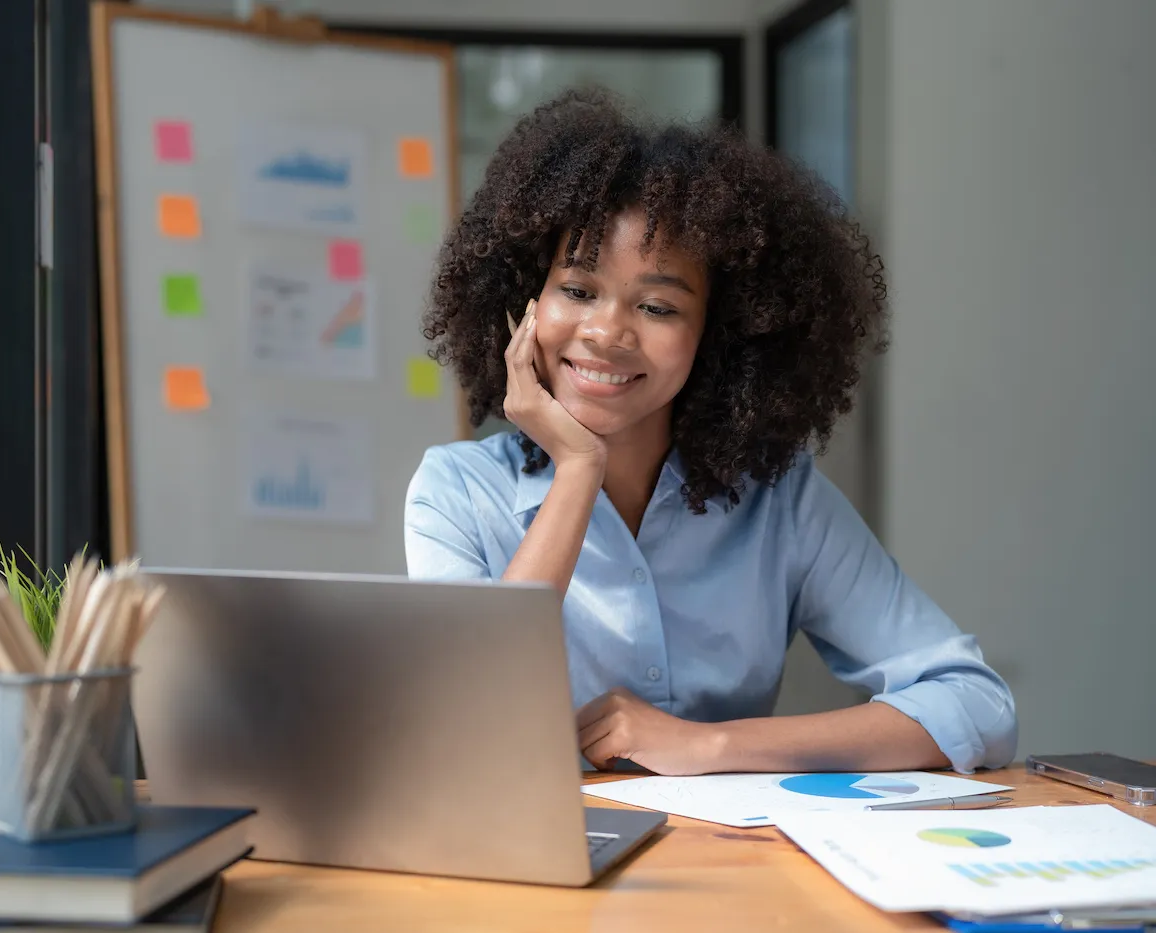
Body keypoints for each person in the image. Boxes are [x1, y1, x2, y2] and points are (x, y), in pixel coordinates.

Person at [403, 89, 1017, 777]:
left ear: (719, 336)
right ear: (525, 301)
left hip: (729, 869)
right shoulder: (454, 493)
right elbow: (460, 721)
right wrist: (578, 467)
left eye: (658, 305)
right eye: (577, 289)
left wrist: (710, 744)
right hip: (529, 872)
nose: (607, 332)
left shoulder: (780, 501)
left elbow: (976, 705)